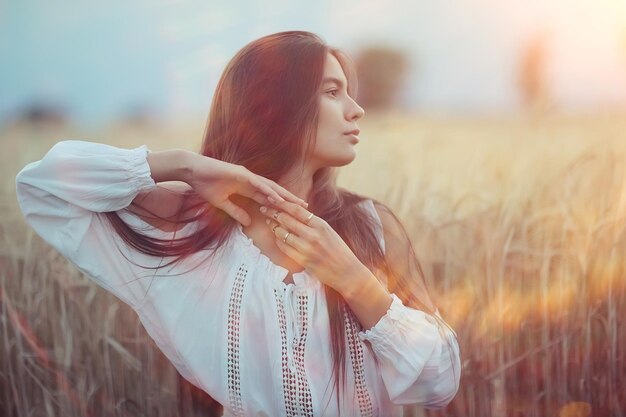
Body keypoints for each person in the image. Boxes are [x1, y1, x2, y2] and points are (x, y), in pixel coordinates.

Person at [15, 30, 461, 417]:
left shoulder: (369, 225)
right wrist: (187, 167)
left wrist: (353, 278)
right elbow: (44, 188)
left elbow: (439, 382)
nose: (356, 109)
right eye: (331, 91)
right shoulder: (196, 233)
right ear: (273, 106)